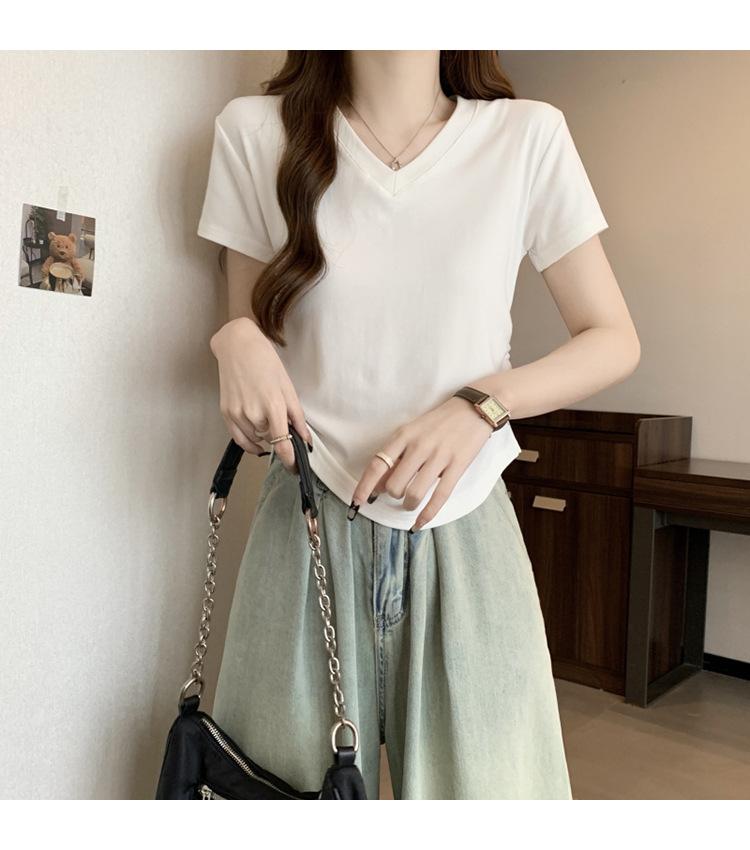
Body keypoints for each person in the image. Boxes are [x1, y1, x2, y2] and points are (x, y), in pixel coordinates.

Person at [196, 50, 640, 800]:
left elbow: (614, 338)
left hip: (466, 532)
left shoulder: (525, 137)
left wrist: (483, 404)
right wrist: (233, 338)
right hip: (305, 531)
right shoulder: (256, 132)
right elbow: (249, 329)